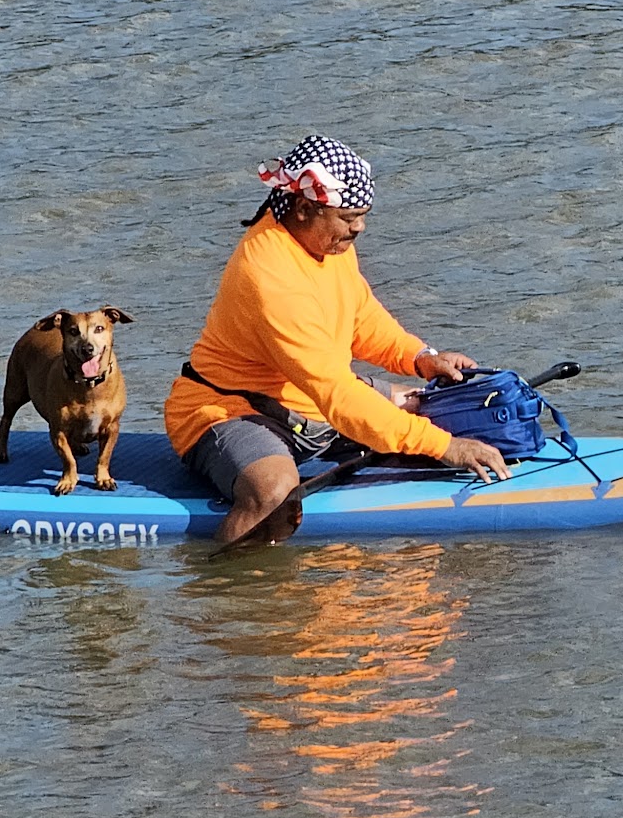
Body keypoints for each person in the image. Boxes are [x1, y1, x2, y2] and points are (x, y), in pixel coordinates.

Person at [164, 135, 511, 548]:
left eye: (362, 216)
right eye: (348, 217)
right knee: (275, 493)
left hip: (308, 403)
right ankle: (218, 595)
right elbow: (336, 394)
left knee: (438, 404)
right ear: (304, 208)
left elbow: (360, 316)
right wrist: (444, 447)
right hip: (227, 410)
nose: (359, 227)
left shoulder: (328, 243)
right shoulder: (269, 275)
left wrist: (420, 357)